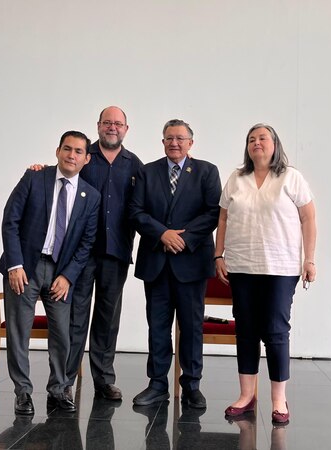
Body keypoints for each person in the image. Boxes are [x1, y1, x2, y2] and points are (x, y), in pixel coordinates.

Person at [28, 106, 143, 401]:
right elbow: (57, 176)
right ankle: (64, 381)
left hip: (116, 252)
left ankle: (104, 380)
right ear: (99, 126)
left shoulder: (135, 165)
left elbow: (145, 203)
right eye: (107, 123)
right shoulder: (84, 156)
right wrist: (39, 170)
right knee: (75, 317)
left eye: (118, 123)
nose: (112, 127)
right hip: (80, 253)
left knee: (107, 318)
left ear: (126, 129)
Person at [215, 123, 316, 425]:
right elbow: (223, 215)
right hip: (242, 264)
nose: (256, 143)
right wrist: (218, 254)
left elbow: (308, 217)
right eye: (251, 139)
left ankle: (278, 399)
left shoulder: (290, 177)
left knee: (275, 331)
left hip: (280, 267)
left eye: (262, 138)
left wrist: (309, 259)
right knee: (245, 330)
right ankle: (246, 396)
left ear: (275, 144)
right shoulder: (237, 178)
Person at [0, 131, 101, 416]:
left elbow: (86, 243)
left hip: (60, 271)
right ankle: (23, 392)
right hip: (25, 267)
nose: (72, 155)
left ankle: (59, 389)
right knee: (19, 331)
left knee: (63, 333)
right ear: (57, 151)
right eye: (67, 149)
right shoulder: (35, 178)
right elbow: (11, 221)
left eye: (79, 151)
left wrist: (67, 276)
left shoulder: (90, 196)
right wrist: (14, 265)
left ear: (87, 158)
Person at [129, 119, 221, 409]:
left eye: (180, 138)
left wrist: (185, 238)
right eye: (169, 138)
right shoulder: (147, 172)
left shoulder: (206, 171)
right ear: (163, 142)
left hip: (191, 262)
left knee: (192, 327)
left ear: (191, 143)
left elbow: (213, 212)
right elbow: (135, 211)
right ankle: (157, 384)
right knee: (157, 326)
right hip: (156, 260)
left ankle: (192, 384)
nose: (175, 143)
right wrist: (163, 234)